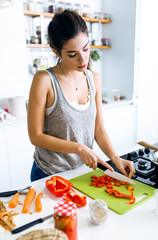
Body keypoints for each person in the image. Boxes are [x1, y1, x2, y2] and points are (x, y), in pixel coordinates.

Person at [27, 10, 135, 182]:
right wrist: (78, 148)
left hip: (81, 173)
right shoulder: (44, 80)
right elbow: (36, 136)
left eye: (86, 49)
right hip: (49, 173)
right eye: (72, 54)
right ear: (57, 52)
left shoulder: (94, 79)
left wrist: (115, 159)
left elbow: (98, 130)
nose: (83, 59)